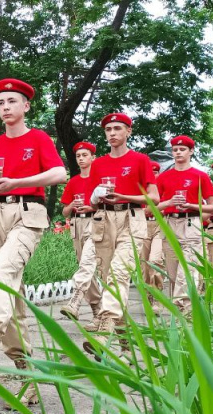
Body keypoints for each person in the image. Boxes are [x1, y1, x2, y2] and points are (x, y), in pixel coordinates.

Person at [0, 78, 68, 405]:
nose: (5, 107)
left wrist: (17, 180)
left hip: (27, 215)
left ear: (26, 106)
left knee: (0, 275)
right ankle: (28, 375)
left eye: (11, 102)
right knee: (12, 299)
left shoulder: (38, 138)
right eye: (1, 103)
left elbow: (59, 174)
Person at [81, 113, 158, 357]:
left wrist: (125, 197)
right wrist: (95, 198)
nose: (112, 133)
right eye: (108, 130)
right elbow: (91, 202)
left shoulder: (140, 160)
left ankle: (103, 334)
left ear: (128, 132)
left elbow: (154, 198)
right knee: (111, 282)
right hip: (103, 220)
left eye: (117, 128)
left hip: (131, 218)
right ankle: (126, 346)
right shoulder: (99, 164)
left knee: (119, 275)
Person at [154, 136, 213, 315]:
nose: (178, 152)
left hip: (191, 223)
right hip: (169, 223)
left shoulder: (200, 176)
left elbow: (212, 206)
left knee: (187, 269)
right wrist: (169, 202)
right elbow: (151, 208)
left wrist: (193, 205)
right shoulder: (164, 177)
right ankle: (184, 310)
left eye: (182, 149)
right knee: (173, 274)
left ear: (191, 151)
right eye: (175, 150)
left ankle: (186, 312)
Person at [58, 141, 103, 326]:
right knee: (86, 266)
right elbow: (64, 212)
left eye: (85, 155)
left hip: (95, 221)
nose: (81, 159)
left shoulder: (100, 180)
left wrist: (92, 206)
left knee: (87, 262)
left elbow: (108, 204)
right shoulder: (74, 181)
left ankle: (74, 301)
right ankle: (97, 310)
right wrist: (71, 206)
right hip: (77, 223)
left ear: (93, 157)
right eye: (78, 156)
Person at [141, 161, 165, 314]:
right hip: (142, 226)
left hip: (160, 225)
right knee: (144, 266)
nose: (153, 175)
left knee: (155, 261)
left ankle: (157, 297)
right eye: (151, 173)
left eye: (155, 172)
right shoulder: (140, 189)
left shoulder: (162, 188)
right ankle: (149, 297)